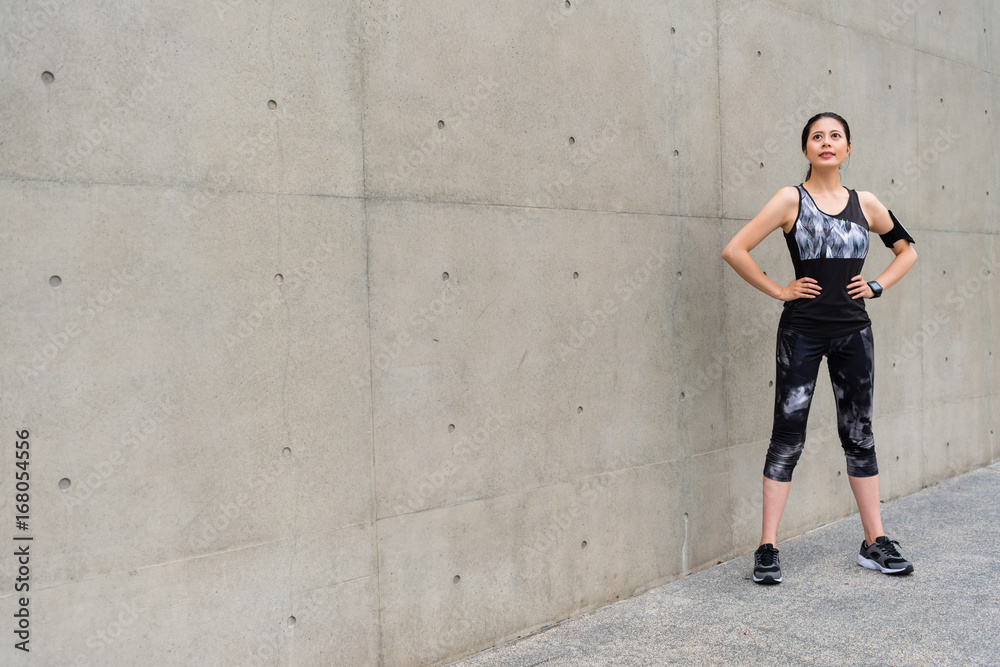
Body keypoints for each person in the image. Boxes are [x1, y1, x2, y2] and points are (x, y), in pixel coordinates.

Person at [721, 112, 918, 585]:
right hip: (802, 333)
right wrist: (779, 290)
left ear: (848, 148)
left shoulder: (866, 203)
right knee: (787, 438)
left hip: (853, 332)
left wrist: (876, 285)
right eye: (817, 137)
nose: (826, 143)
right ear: (806, 149)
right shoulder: (791, 199)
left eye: (835, 137)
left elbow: (906, 250)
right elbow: (735, 249)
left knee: (860, 435)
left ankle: (875, 542)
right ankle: (767, 547)